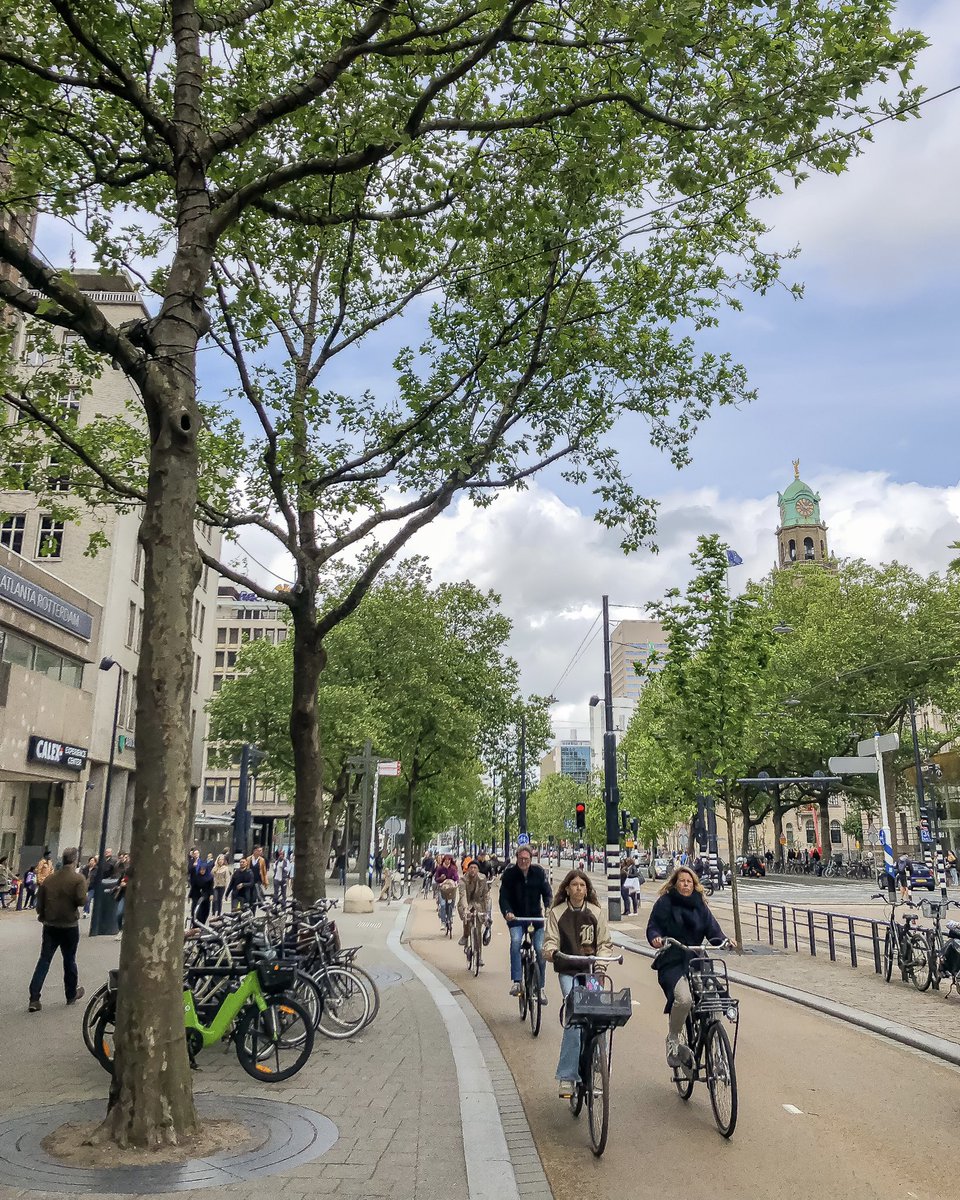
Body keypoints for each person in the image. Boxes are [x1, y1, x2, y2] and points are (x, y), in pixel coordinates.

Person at [646, 865, 727, 1069]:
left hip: (697, 959)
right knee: (684, 999)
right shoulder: (665, 903)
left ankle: (716, 1052)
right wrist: (656, 938)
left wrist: (725, 941)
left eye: (689, 881)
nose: (686, 884)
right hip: (672, 959)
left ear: (694, 885)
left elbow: (713, 930)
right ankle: (673, 1040)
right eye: (682, 881)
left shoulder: (700, 905)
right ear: (675, 883)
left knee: (714, 999)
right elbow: (653, 925)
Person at [543, 869, 613, 1098]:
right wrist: (552, 952)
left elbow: (604, 942)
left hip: (592, 971)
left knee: (598, 1015)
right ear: (566, 888)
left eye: (582, 885)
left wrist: (601, 966)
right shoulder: (557, 912)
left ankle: (596, 1058)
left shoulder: (596, 912)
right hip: (569, 970)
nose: (578, 889)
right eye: (574, 885)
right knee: (574, 1017)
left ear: (587, 889)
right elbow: (551, 940)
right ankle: (567, 1076)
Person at [27, 846, 87, 1012]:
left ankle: (34, 997)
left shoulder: (50, 879)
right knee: (69, 960)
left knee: (44, 960)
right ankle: (70, 994)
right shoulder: (78, 879)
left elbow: (40, 903)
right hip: (69, 925)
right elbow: (82, 900)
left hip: (51, 925)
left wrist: (43, 916)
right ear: (75, 860)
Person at [499, 845, 552, 1003]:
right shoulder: (509, 874)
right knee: (515, 941)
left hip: (536, 918)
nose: (524, 861)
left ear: (531, 859)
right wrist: (507, 911)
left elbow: (547, 892)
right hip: (516, 918)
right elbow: (504, 897)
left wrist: (549, 906)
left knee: (541, 950)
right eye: (521, 859)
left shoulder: (539, 872)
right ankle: (516, 981)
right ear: (516, 858)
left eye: (526, 859)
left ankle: (540, 988)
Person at [457, 859, 490, 946]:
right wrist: (465, 908)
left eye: (475, 868)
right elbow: (462, 895)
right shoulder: (463, 880)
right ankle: (465, 935)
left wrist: (487, 910)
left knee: (479, 924)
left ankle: (478, 953)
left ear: (478, 870)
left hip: (478, 903)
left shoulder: (482, 879)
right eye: (471, 868)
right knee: (467, 919)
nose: (473, 870)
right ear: (468, 869)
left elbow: (486, 894)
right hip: (466, 903)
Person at [190, 852, 214, 924]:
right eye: (201, 869)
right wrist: (190, 895)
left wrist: (211, 894)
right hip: (197, 895)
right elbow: (193, 885)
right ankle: (195, 924)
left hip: (206, 896)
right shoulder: (196, 877)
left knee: (205, 911)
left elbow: (211, 887)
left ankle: (202, 924)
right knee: (196, 911)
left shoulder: (209, 877)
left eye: (204, 870)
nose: (202, 871)